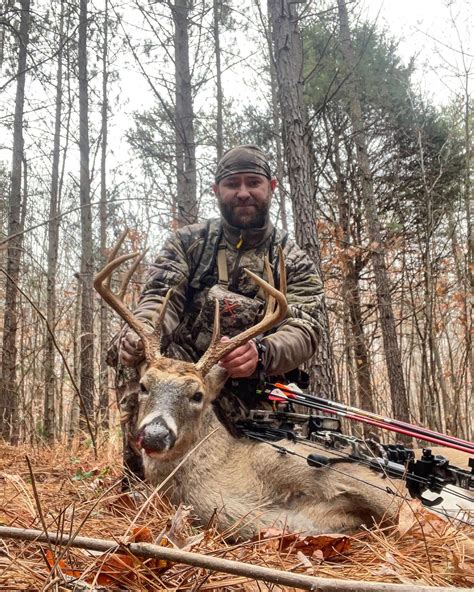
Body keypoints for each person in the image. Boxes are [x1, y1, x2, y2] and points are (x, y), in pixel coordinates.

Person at [114, 145, 324, 450]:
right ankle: (139, 476)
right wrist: (144, 330)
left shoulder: (294, 260)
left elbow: (305, 329)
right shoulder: (188, 243)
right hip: (184, 377)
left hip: (255, 385)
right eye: (231, 184)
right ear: (216, 190)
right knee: (131, 349)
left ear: (271, 187)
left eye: (253, 183)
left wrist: (262, 352)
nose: (242, 193)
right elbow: (161, 296)